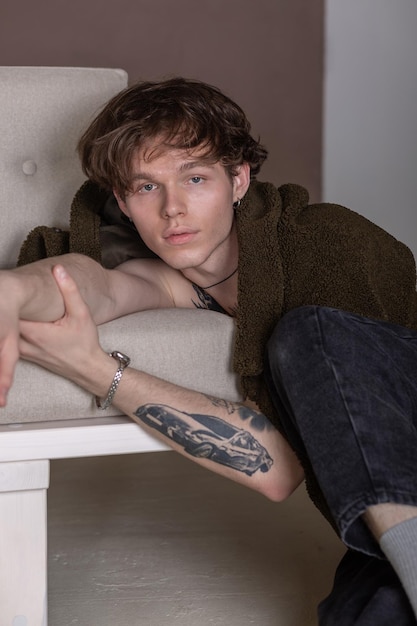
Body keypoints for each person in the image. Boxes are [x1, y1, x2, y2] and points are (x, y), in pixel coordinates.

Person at [1, 77, 417, 624]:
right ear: (123, 202)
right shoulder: (174, 280)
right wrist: (9, 291)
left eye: (195, 178)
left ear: (239, 179)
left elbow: (278, 471)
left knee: (307, 333)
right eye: (146, 187)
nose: (173, 208)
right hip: (386, 531)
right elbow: (87, 282)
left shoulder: (329, 241)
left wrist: (95, 369)